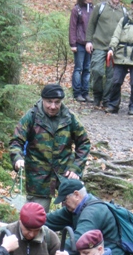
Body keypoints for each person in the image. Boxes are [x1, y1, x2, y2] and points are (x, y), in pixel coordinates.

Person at [9, 84, 91, 212]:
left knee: (77, 208)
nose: (53, 106)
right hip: (38, 177)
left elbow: (84, 142)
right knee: (35, 216)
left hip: (65, 173)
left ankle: (72, 231)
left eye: (57, 102)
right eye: (49, 102)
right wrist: (17, 158)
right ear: (42, 99)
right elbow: (16, 141)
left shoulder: (69, 117)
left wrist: (76, 167)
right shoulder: (32, 117)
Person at [85, 0, 128, 107]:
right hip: (99, 45)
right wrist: (88, 41)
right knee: (96, 71)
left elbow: (125, 30)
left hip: (115, 48)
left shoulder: (124, 12)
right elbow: (91, 24)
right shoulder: (100, 7)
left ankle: (106, 98)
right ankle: (97, 95)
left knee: (112, 76)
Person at [69, 0, 95, 102]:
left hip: (90, 44)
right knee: (78, 68)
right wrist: (73, 43)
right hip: (79, 43)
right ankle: (77, 92)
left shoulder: (93, 9)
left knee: (87, 69)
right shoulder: (77, 9)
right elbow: (72, 27)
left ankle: (86, 92)